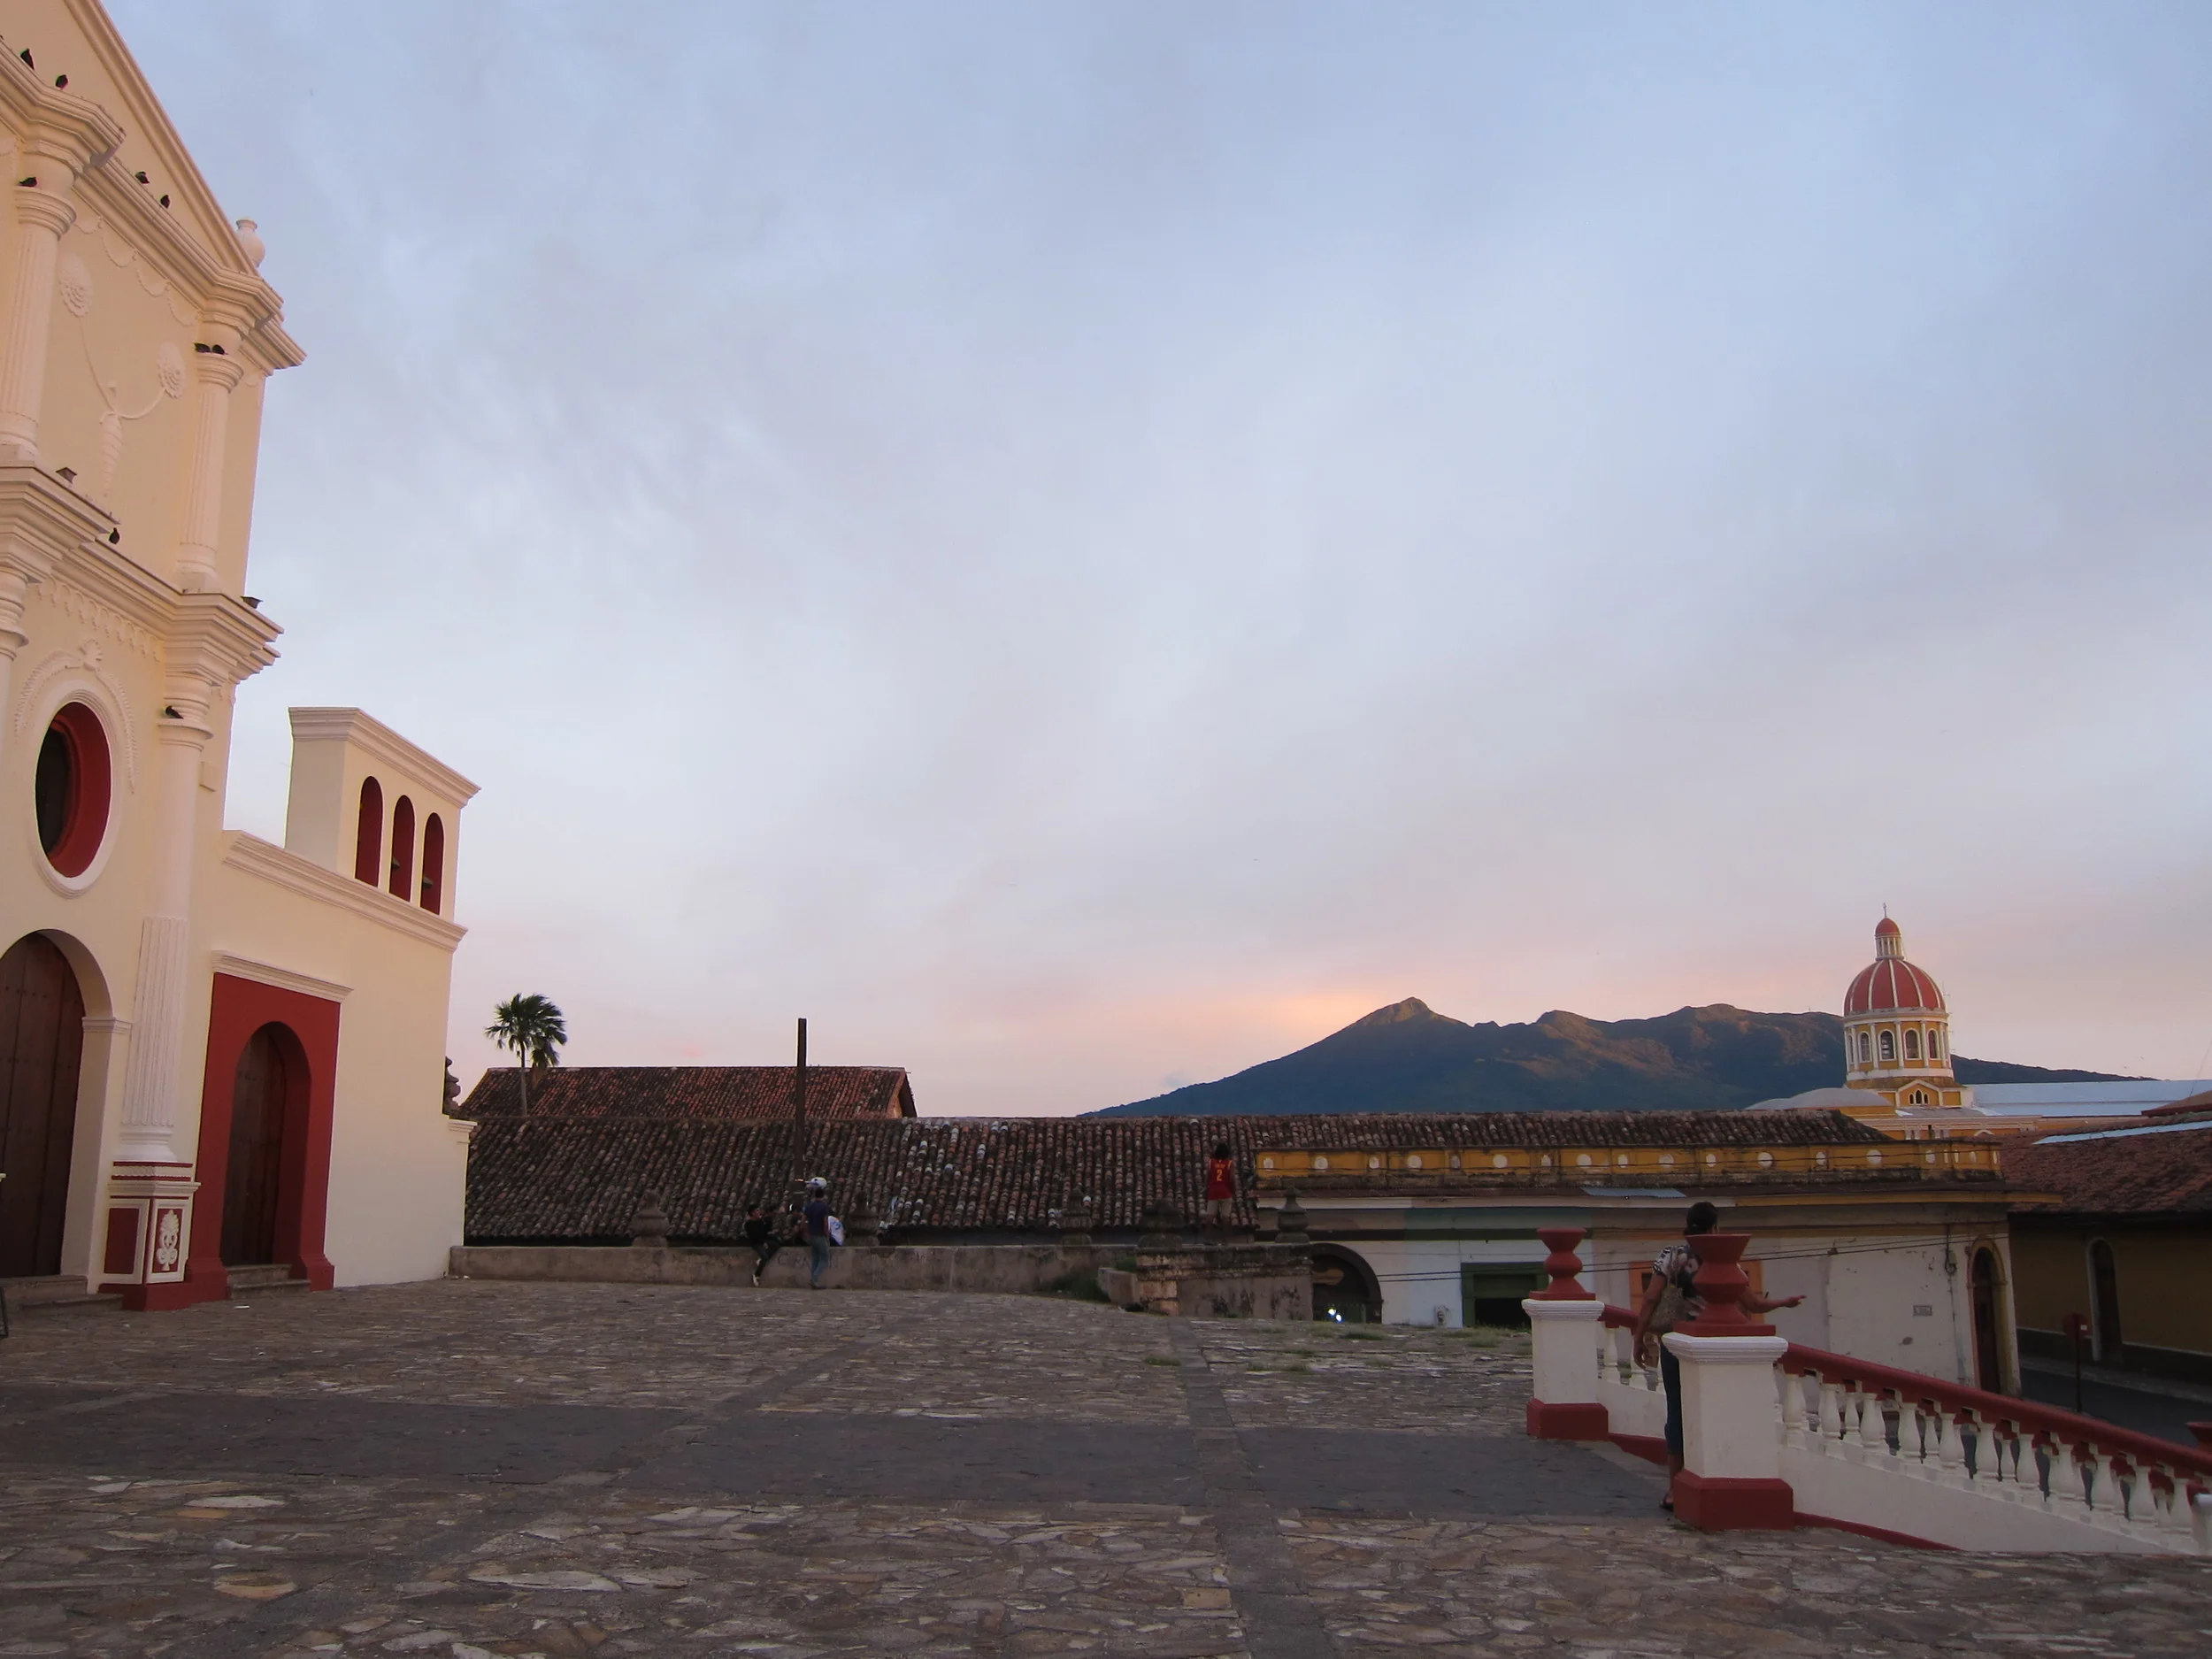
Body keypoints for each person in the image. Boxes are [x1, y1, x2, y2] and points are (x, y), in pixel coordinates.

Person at [1632, 1201, 1803, 1510]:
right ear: (1714, 1228)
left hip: (1677, 1344)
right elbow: (1753, 1305)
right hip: (1717, 1346)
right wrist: (1784, 1302)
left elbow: (1650, 1299)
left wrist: (1639, 1338)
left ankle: (1674, 1486)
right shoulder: (1726, 1261)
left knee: (1678, 1413)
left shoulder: (1671, 1256)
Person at [803, 1177, 834, 1289]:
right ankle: (814, 1279)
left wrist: (806, 1232)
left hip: (812, 1235)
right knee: (825, 1259)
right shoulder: (824, 1207)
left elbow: (803, 1220)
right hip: (820, 1235)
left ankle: (814, 1281)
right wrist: (827, 1235)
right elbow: (825, 1223)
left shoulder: (809, 1206)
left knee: (815, 1258)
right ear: (823, 1195)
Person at [1202, 1142, 1237, 1233]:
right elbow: (1232, 1179)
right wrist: (1233, 1191)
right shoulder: (1230, 1164)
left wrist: (1207, 1189)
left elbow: (1207, 1178)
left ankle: (1208, 1238)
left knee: (1210, 1216)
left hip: (1213, 1192)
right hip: (1225, 1192)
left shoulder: (1211, 1163)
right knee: (1225, 1217)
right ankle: (1225, 1240)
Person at [742, 1201, 778, 1286]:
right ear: (752, 1213)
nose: (759, 1212)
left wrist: (770, 1230)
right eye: (757, 1211)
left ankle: (761, 1260)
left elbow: (764, 1232)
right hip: (756, 1243)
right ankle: (757, 1275)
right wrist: (763, 1243)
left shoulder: (760, 1221)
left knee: (777, 1244)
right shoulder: (748, 1224)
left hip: (762, 1241)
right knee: (765, 1257)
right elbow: (754, 1236)